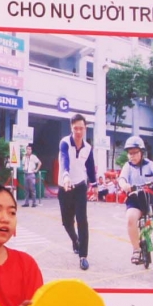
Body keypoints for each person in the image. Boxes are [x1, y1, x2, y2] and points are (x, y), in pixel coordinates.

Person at [54, 113, 96, 270]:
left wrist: (95, 184)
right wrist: (65, 176)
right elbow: (65, 159)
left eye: (81, 128)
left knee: (82, 220)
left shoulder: (88, 148)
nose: (78, 131)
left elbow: (90, 167)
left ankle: (83, 256)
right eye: (75, 128)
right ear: (71, 128)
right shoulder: (64, 143)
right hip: (64, 186)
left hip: (79, 186)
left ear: (85, 129)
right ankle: (75, 240)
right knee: (66, 222)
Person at [117, 136, 153, 268]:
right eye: (130, 153)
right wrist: (124, 185)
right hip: (134, 199)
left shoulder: (149, 164)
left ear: (142, 152)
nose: (132, 156)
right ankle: (136, 249)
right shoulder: (127, 166)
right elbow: (122, 179)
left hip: (150, 198)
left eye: (135, 152)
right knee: (130, 219)